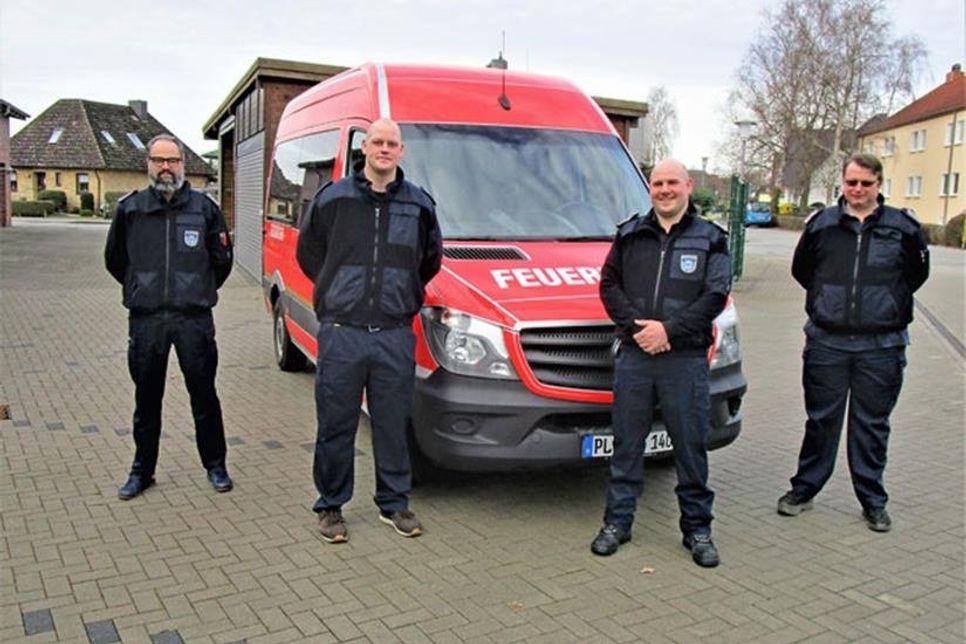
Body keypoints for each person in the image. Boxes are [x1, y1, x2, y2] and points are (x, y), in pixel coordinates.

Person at [296, 118, 442, 544]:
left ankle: (393, 503)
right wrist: (338, 290)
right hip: (343, 331)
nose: (384, 149)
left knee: (392, 422)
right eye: (376, 141)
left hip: (394, 333)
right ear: (365, 148)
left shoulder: (418, 205)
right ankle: (330, 505)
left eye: (391, 143)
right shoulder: (333, 198)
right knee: (336, 422)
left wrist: (399, 294)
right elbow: (311, 253)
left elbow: (428, 260)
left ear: (401, 151)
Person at [778, 153, 929, 532]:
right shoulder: (822, 225)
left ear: (879, 184)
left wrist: (883, 306)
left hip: (881, 345)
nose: (857, 190)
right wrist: (829, 303)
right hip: (827, 342)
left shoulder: (903, 227)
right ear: (842, 184)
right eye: (851, 183)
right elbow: (803, 270)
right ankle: (804, 489)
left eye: (865, 183)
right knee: (821, 421)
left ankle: (873, 500)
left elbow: (915, 274)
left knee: (872, 425)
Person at [592, 159, 731, 567]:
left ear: (688, 186)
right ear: (649, 188)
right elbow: (609, 285)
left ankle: (697, 530)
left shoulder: (711, 238)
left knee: (690, 447)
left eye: (672, 182)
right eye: (657, 183)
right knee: (627, 445)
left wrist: (667, 331)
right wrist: (639, 329)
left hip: (684, 360)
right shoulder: (631, 234)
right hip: (636, 356)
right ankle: (617, 523)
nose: (664, 190)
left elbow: (715, 295)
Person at [104, 134, 234, 500]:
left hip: (193, 320)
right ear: (147, 163)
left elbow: (221, 261)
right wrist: (141, 288)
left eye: (172, 161)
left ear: (182, 164)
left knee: (204, 396)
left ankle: (216, 465)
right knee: (146, 400)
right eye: (159, 160)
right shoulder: (130, 209)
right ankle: (142, 471)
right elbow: (115, 261)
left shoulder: (204, 209)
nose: (166, 167)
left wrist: (194, 291)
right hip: (147, 322)